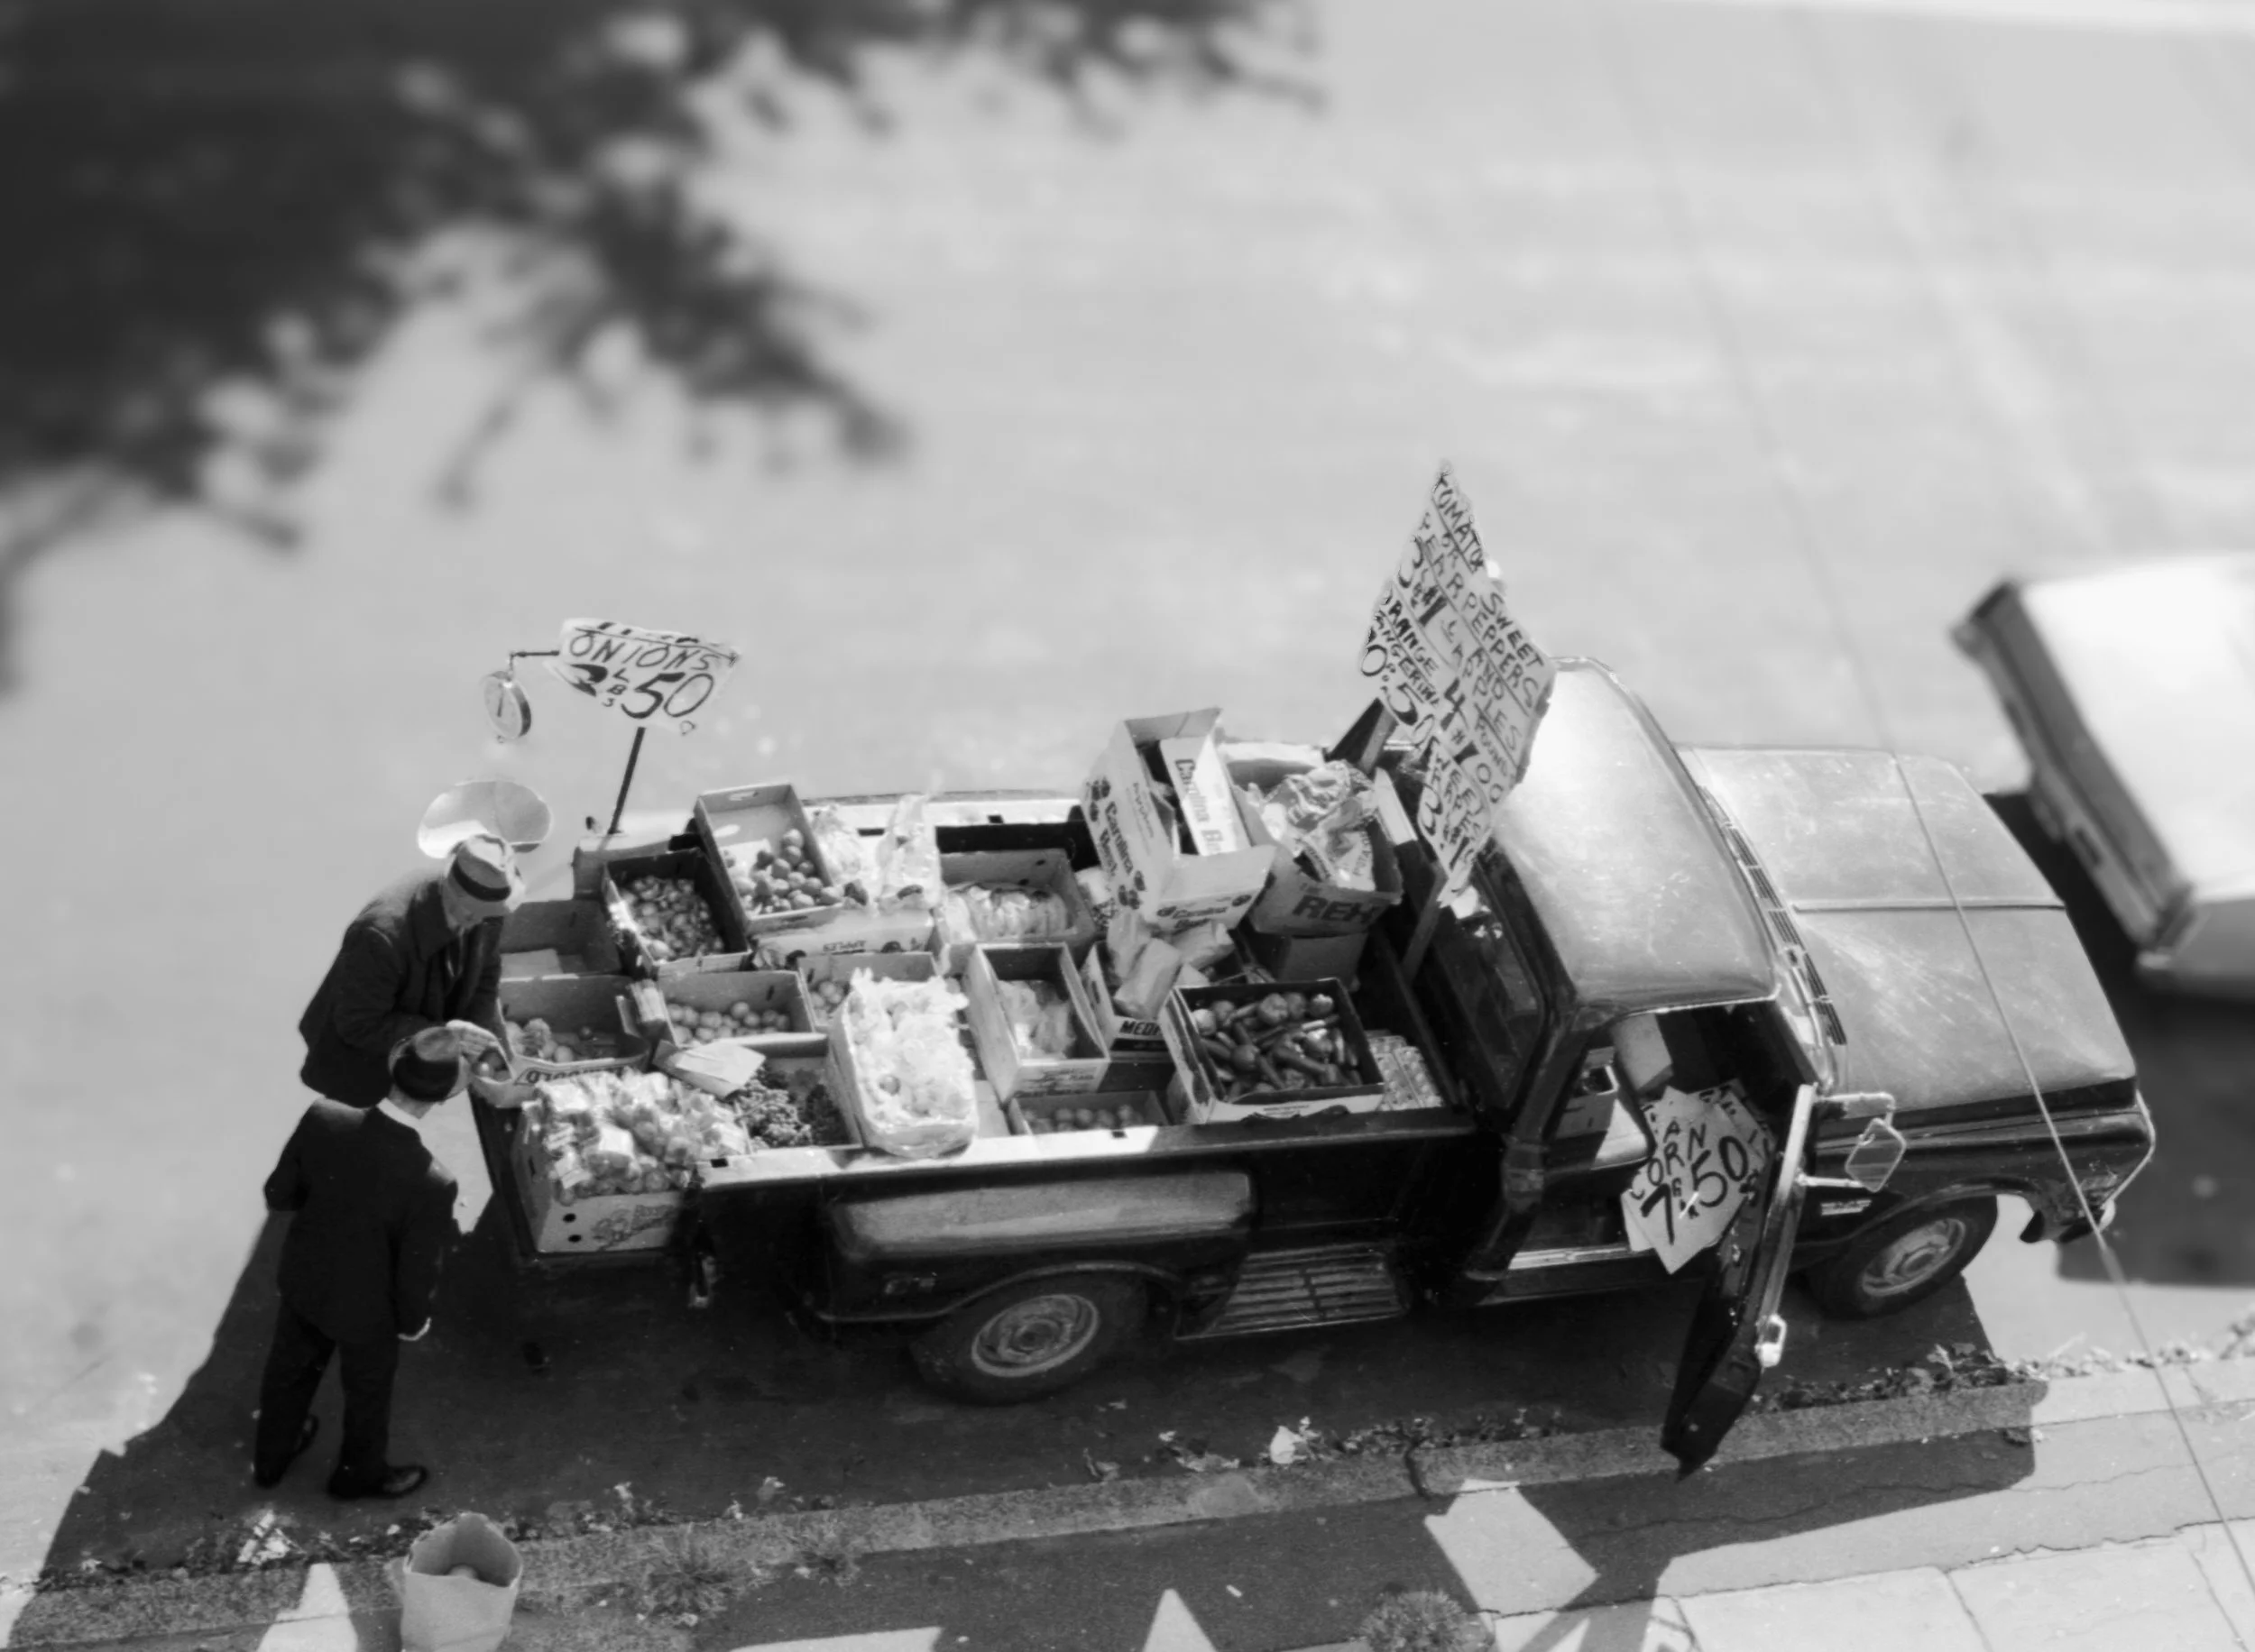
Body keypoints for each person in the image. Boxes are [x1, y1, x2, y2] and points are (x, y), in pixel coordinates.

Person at [252, 1027, 464, 1499]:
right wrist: (412, 1322)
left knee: (287, 1375)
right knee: (367, 1395)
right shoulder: (433, 1183)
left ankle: (270, 1460)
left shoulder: (323, 1115)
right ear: (443, 1098)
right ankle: (357, 1476)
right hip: (369, 1311)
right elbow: (416, 1271)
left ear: (393, 1070)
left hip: (306, 1280)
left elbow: (278, 1193)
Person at [299, 833, 521, 1106]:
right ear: (448, 889)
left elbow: (487, 974)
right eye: (472, 913)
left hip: (417, 1041)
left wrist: (474, 1034)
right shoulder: (380, 935)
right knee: (348, 1121)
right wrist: (443, 1034)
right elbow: (358, 1024)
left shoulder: (486, 914)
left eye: (489, 913)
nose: (481, 922)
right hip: (358, 1058)